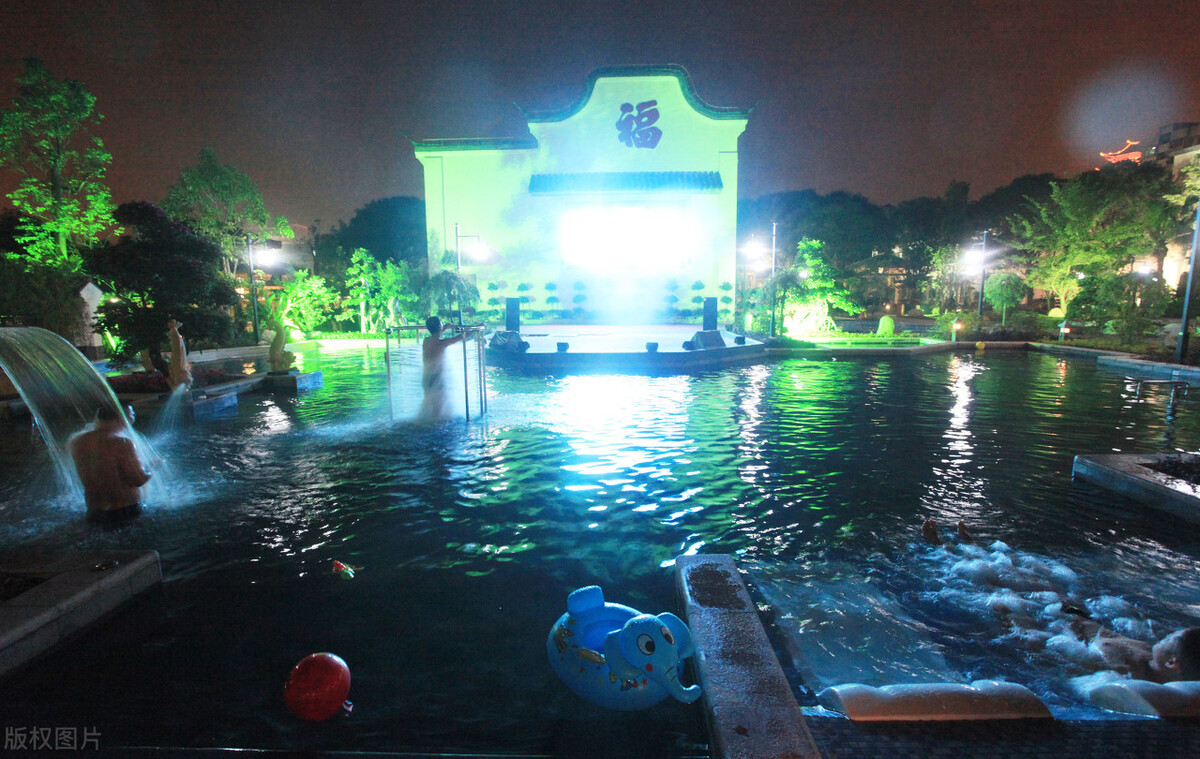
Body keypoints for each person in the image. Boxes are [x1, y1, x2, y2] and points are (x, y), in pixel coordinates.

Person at [68, 405, 151, 524]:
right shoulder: (122, 442)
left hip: (94, 512)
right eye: (132, 414)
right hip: (125, 511)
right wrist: (151, 467)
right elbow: (138, 479)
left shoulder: (76, 441)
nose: (134, 417)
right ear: (121, 419)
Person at [419, 316, 465, 421]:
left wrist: (444, 328)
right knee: (437, 409)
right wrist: (476, 329)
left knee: (429, 404)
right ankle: (436, 427)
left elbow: (436, 336)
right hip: (437, 379)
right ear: (439, 326)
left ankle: (427, 424)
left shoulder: (426, 341)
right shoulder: (441, 343)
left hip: (426, 378)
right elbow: (459, 338)